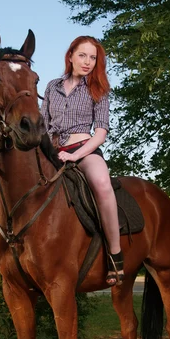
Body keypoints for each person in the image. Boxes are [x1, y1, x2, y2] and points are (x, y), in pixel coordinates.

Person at [41, 36, 123, 286]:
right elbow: (43, 126)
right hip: (52, 151)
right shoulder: (52, 86)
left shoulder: (98, 89)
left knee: (101, 183)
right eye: (82, 55)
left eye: (93, 57)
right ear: (70, 56)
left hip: (83, 149)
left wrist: (76, 155)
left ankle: (115, 256)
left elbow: (100, 133)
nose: (87, 62)